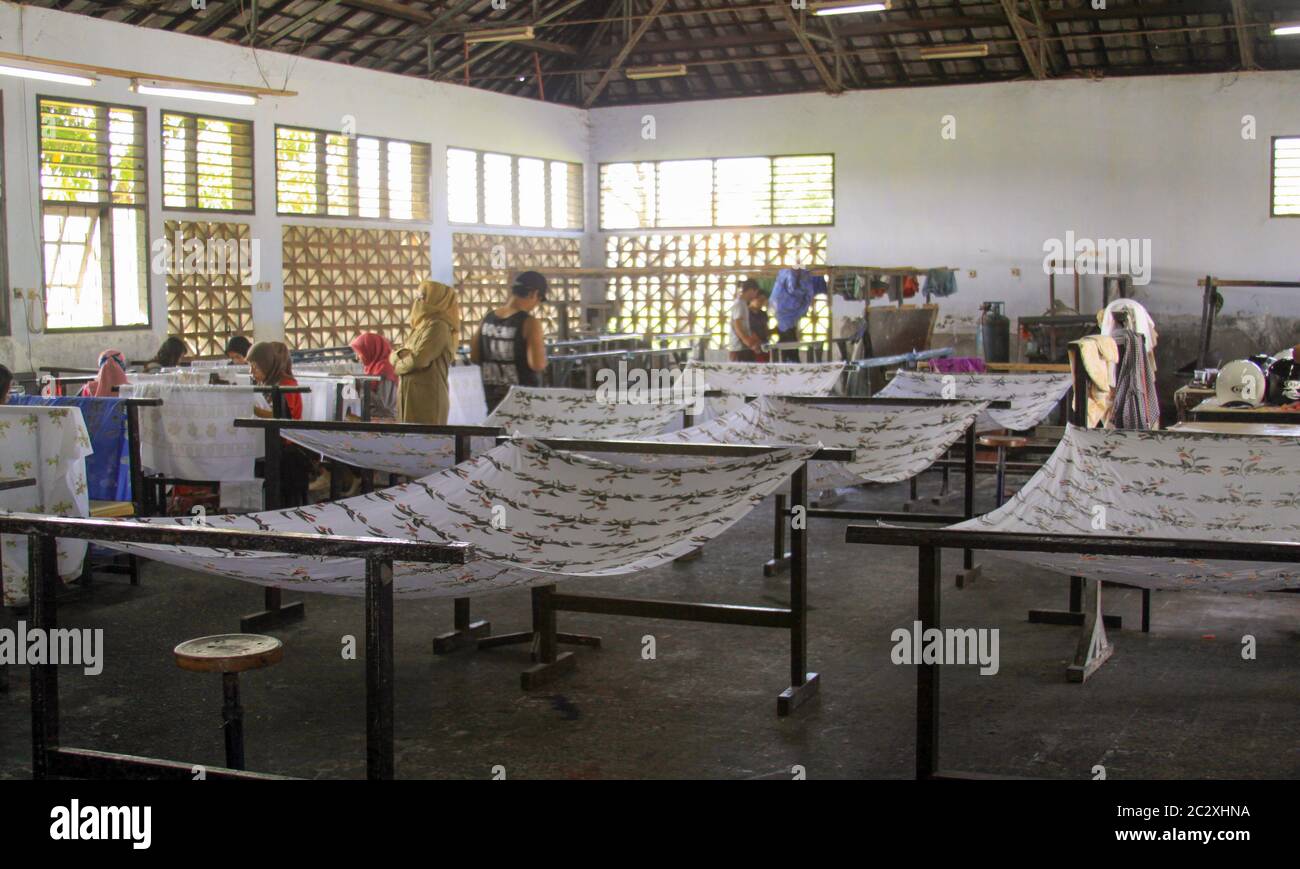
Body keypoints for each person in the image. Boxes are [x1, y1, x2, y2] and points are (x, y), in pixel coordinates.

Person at [471, 271, 548, 412]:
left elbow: (475, 357)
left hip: (493, 401)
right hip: (523, 403)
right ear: (534, 294)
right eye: (539, 299)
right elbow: (537, 364)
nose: (536, 304)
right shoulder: (529, 323)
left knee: (497, 433)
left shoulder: (487, 319)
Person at [247, 341, 310, 507]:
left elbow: (281, 416)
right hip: (271, 444)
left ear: (268, 365)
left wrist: (250, 408)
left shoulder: (287, 385)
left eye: (255, 366)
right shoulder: (266, 384)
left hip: (286, 449)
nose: (251, 372)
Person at [391, 280, 460, 425]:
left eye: (423, 297)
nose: (418, 301)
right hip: (408, 397)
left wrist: (398, 366)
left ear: (437, 300)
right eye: (418, 297)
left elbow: (419, 360)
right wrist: (400, 356)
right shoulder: (420, 326)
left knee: (426, 443)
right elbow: (394, 355)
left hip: (427, 400)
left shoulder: (438, 327)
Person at [349, 331, 399, 419]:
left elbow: (385, 405)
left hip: (385, 422)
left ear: (371, 350)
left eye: (360, 353)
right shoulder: (373, 368)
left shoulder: (385, 370)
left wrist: (361, 386)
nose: (357, 358)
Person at [728, 279, 763, 362]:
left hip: (743, 348)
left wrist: (753, 338)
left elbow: (744, 326)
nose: (755, 296)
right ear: (751, 290)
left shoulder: (743, 304)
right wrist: (746, 340)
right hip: (738, 348)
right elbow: (737, 324)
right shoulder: (739, 304)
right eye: (755, 293)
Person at [748, 288, 772, 363]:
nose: (762, 303)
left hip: (764, 346)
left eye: (763, 300)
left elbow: (766, 329)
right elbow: (748, 330)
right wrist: (758, 342)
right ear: (753, 299)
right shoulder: (746, 313)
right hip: (752, 347)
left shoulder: (763, 314)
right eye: (760, 300)